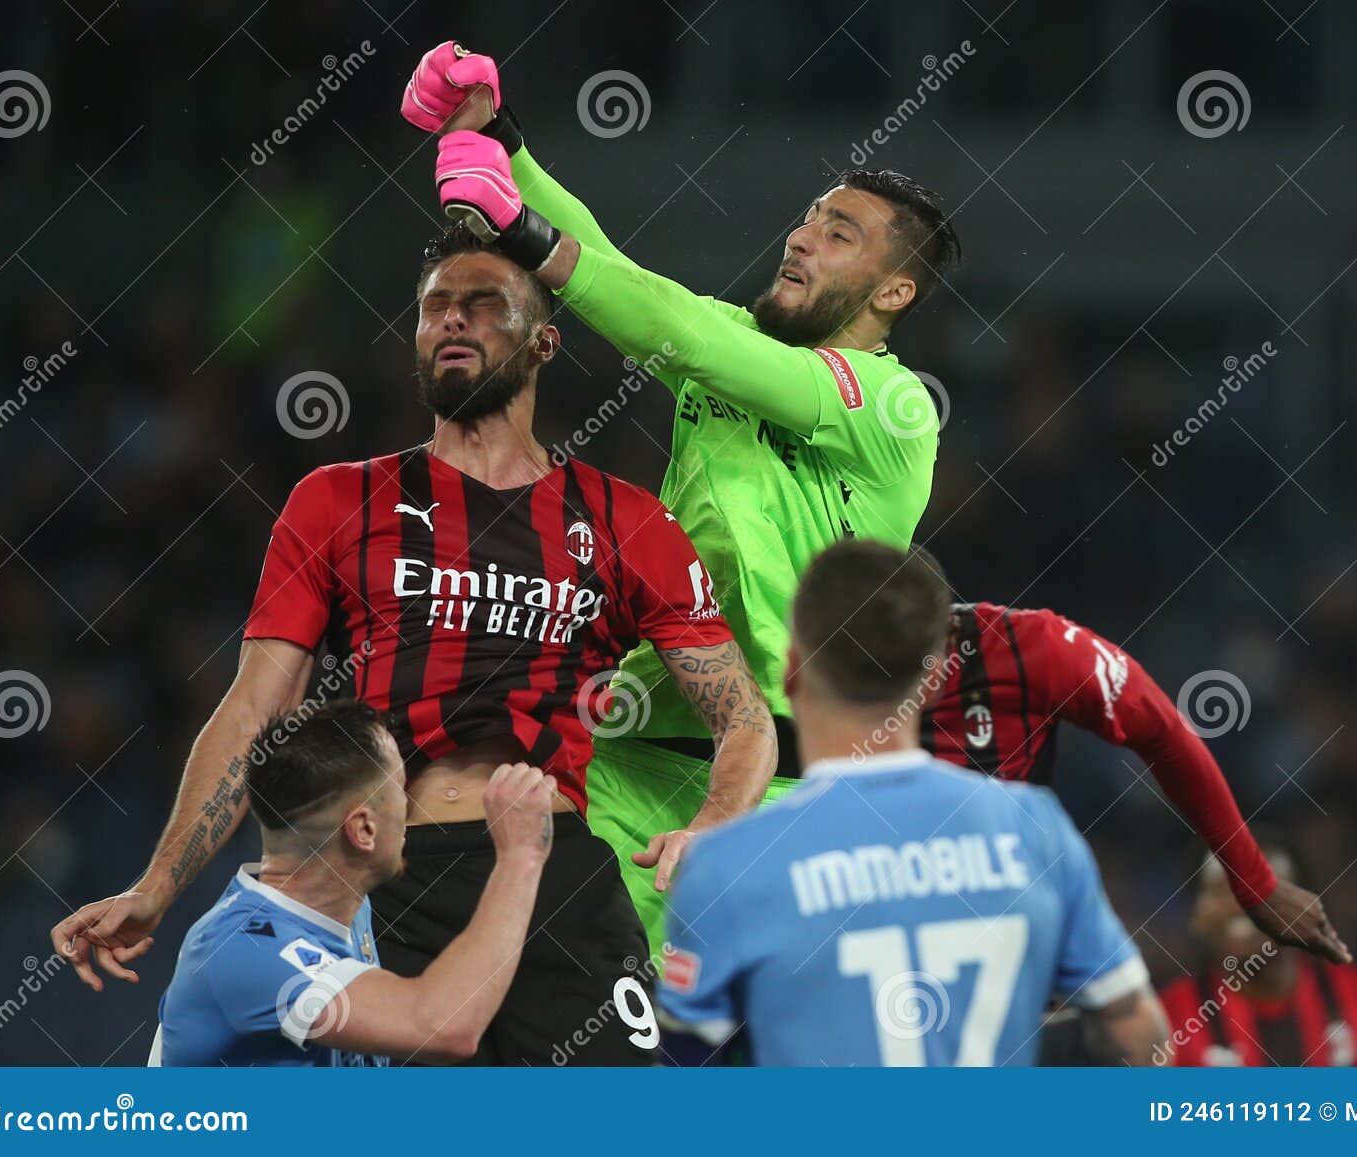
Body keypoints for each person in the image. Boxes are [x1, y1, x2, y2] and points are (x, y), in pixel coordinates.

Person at [50, 223, 776, 1066]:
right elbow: (254, 708)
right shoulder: (337, 501)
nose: (452, 323)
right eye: (435, 308)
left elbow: (743, 716)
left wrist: (716, 823)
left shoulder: (626, 521)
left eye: (481, 306)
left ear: (544, 341)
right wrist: (159, 882)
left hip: (559, 873)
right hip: (390, 875)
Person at [400, 41, 959, 942]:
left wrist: (527, 233)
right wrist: (501, 141)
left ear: (894, 290)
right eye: (809, 219)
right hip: (627, 743)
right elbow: (630, 281)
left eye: (839, 234)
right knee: (564, 998)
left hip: (785, 782)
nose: (803, 237)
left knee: (731, 1048)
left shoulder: (894, 407)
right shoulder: (729, 342)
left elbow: (678, 328)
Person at [655, 540, 1169, 1066]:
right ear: (932, 679)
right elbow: (1137, 1033)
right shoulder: (1033, 829)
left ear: (791, 672)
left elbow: (682, 1075)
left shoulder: (730, 866)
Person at [924, 599, 1350, 963]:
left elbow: (1163, 731)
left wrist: (1256, 882)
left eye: (912, 661)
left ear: (949, 630)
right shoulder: (863, 687)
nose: (899, 689)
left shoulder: (1030, 646)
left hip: (1008, 936)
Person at [145, 700, 552, 1066]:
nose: (409, 800)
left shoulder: (347, 912)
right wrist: (521, 857)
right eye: (398, 787)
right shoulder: (248, 951)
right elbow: (444, 1027)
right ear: (363, 829)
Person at [1157, 849, 1357, 1067]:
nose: (1241, 901)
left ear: (1305, 906)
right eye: (1219, 889)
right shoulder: (1167, 1020)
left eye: (1264, 884)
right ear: (1196, 917)